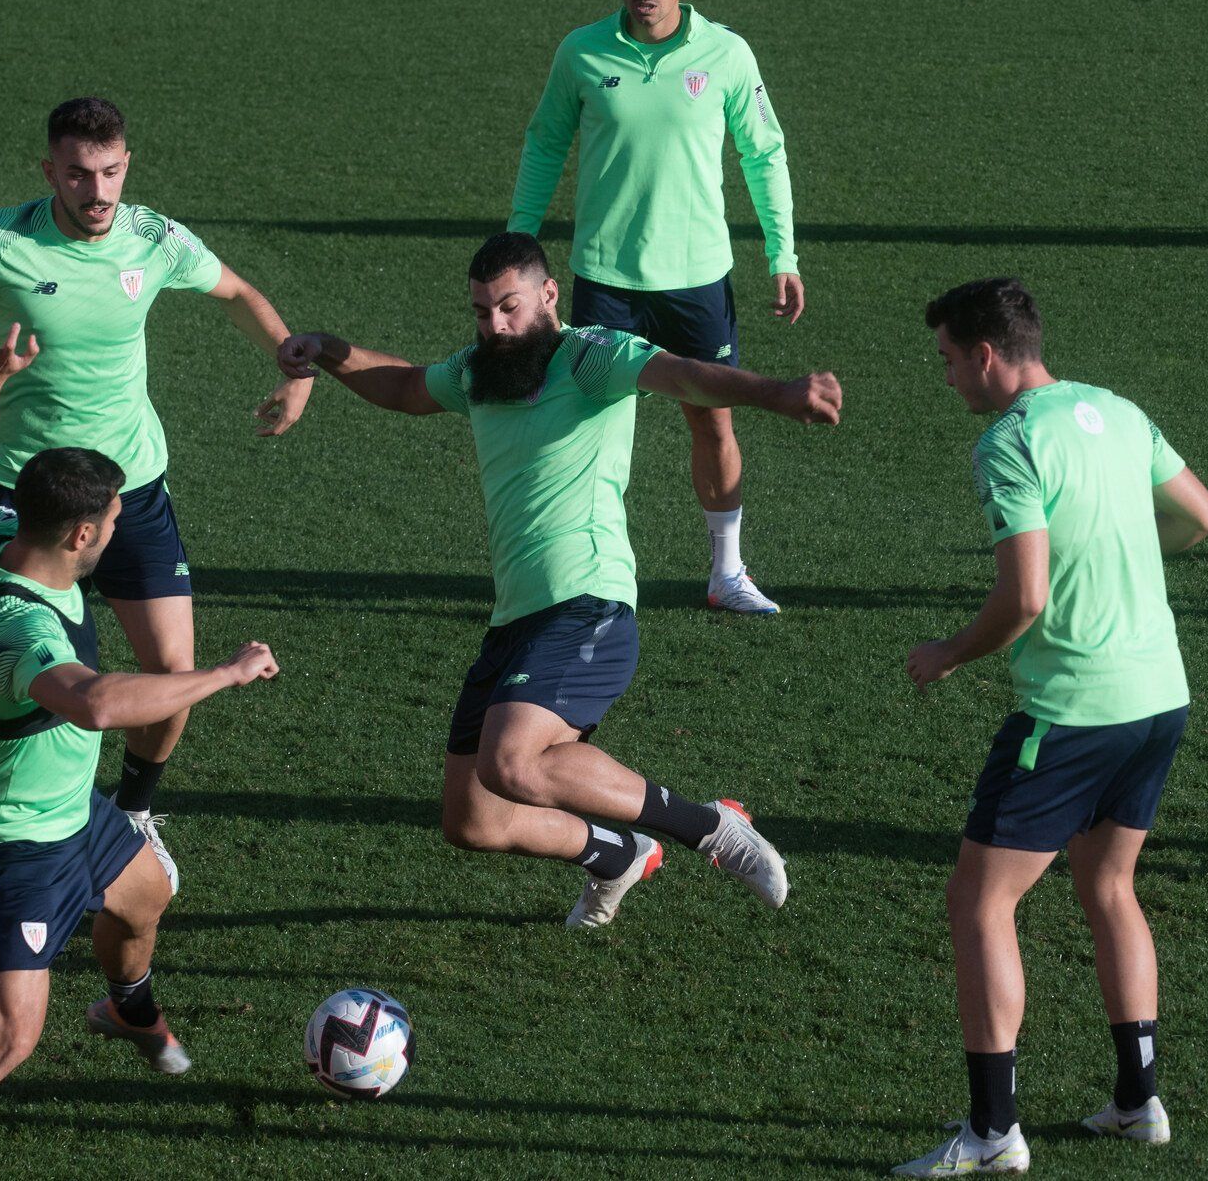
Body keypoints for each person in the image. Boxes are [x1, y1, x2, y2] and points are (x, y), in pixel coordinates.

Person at [278, 233, 840, 927]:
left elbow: (687, 374)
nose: (497, 326)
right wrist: (329, 349)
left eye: (510, 307)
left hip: (588, 602)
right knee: (473, 818)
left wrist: (780, 393)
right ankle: (615, 855)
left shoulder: (591, 355)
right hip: (514, 620)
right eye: (483, 312)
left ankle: (712, 826)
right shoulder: (480, 371)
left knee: (513, 762)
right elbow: (403, 385)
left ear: (548, 296)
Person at [0, 321, 279, 1181]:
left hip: (68, 812)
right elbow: (98, 702)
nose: (120, 530)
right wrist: (223, 674)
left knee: (147, 890)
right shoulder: (19, 624)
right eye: (114, 520)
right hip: (13, 842)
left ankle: (128, 1010)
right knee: (2, 1040)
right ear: (79, 535)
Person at [0, 96, 310, 885]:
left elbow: (238, 294)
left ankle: (135, 813)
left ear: (128, 166)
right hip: (30, 498)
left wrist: (293, 368)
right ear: (48, 171)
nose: (97, 191)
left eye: (111, 171)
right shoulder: (0, 245)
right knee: (51, 696)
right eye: (79, 175)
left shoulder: (152, 236)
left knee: (170, 676)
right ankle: (24, 836)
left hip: (131, 492)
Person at [892, 279, 1208, 1177]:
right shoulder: (1116, 410)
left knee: (979, 899)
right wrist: (1120, 547)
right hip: (1159, 696)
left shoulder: (1009, 443)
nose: (950, 378)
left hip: (1073, 713)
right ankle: (1137, 1099)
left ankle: (994, 1132)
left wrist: (951, 653)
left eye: (951, 360)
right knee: (1110, 886)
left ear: (989, 355)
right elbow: (1204, 515)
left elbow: (1025, 597)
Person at [508, 0, 803, 615]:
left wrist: (781, 252)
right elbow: (545, 141)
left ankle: (726, 573)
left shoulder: (727, 54)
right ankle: (577, 573)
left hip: (698, 278)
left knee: (713, 421)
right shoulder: (581, 52)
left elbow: (764, 153)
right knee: (586, 432)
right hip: (606, 279)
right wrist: (518, 244)